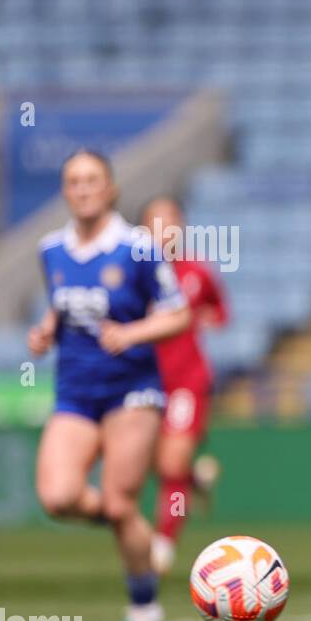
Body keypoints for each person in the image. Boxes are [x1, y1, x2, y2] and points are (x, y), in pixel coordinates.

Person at [29, 151, 191, 621]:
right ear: (65, 190)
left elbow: (177, 313)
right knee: (58, 496)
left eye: (91, 180)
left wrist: (133, 334)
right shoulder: (50, 249)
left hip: (132, 390)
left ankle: (144, 607)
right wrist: (45, 330)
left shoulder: (138, 248)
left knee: (120, 502)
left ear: (111, 188)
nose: (82, 188)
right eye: (73, 181)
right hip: (76, 391)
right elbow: (62, 306)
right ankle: (130, 524)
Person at [141, 196, 228, 575]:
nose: (164, 231)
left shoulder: (196, 271)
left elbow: (220, 310)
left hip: (186, 381)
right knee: (147, 464)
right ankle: (195, 481)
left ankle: (163, 544)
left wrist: (206, 317)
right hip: (141, 382)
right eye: (156, 223)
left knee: (172, 460)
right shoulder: (131, 273)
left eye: (171, 222)